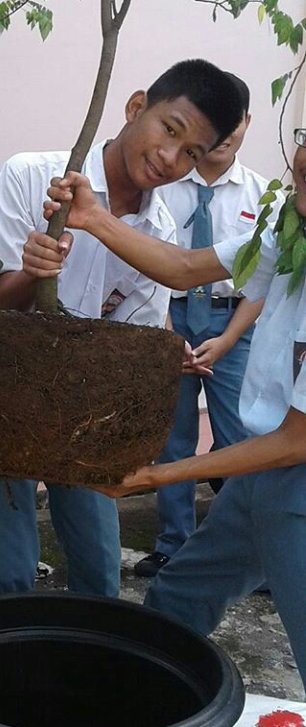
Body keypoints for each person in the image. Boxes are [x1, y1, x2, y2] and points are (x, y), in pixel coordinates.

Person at [0, 58, 244, 599]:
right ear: (136, 106)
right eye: (169, 130)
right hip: (6, 393)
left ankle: (90, 665)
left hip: (88, 411)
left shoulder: (159, 232)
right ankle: (5, 657)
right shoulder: (32, 175)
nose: (170, 158)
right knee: (6, 568)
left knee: (98, 563)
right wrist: (33, 271)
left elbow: (129, 336)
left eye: (191, 153)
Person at [39, 127, 306, 689]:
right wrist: (93, 217)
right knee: (177, 598)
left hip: (296, 484)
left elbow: (296, 440)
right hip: (261, 481)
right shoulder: (289, 230)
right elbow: (185, 269)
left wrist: (158, 474)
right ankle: (138, 697)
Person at [135, 73, 274, 578]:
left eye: (235, 124)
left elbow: (259, 286)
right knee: (170, 439)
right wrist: (169, 337)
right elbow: (155, 267)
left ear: (245, 125)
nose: (226, 136)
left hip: (232, 327)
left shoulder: (264, 196)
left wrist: (229, 339)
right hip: (165, 320)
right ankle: (173, 545)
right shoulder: (167, 183)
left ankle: (246, 550)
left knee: (239, 439)